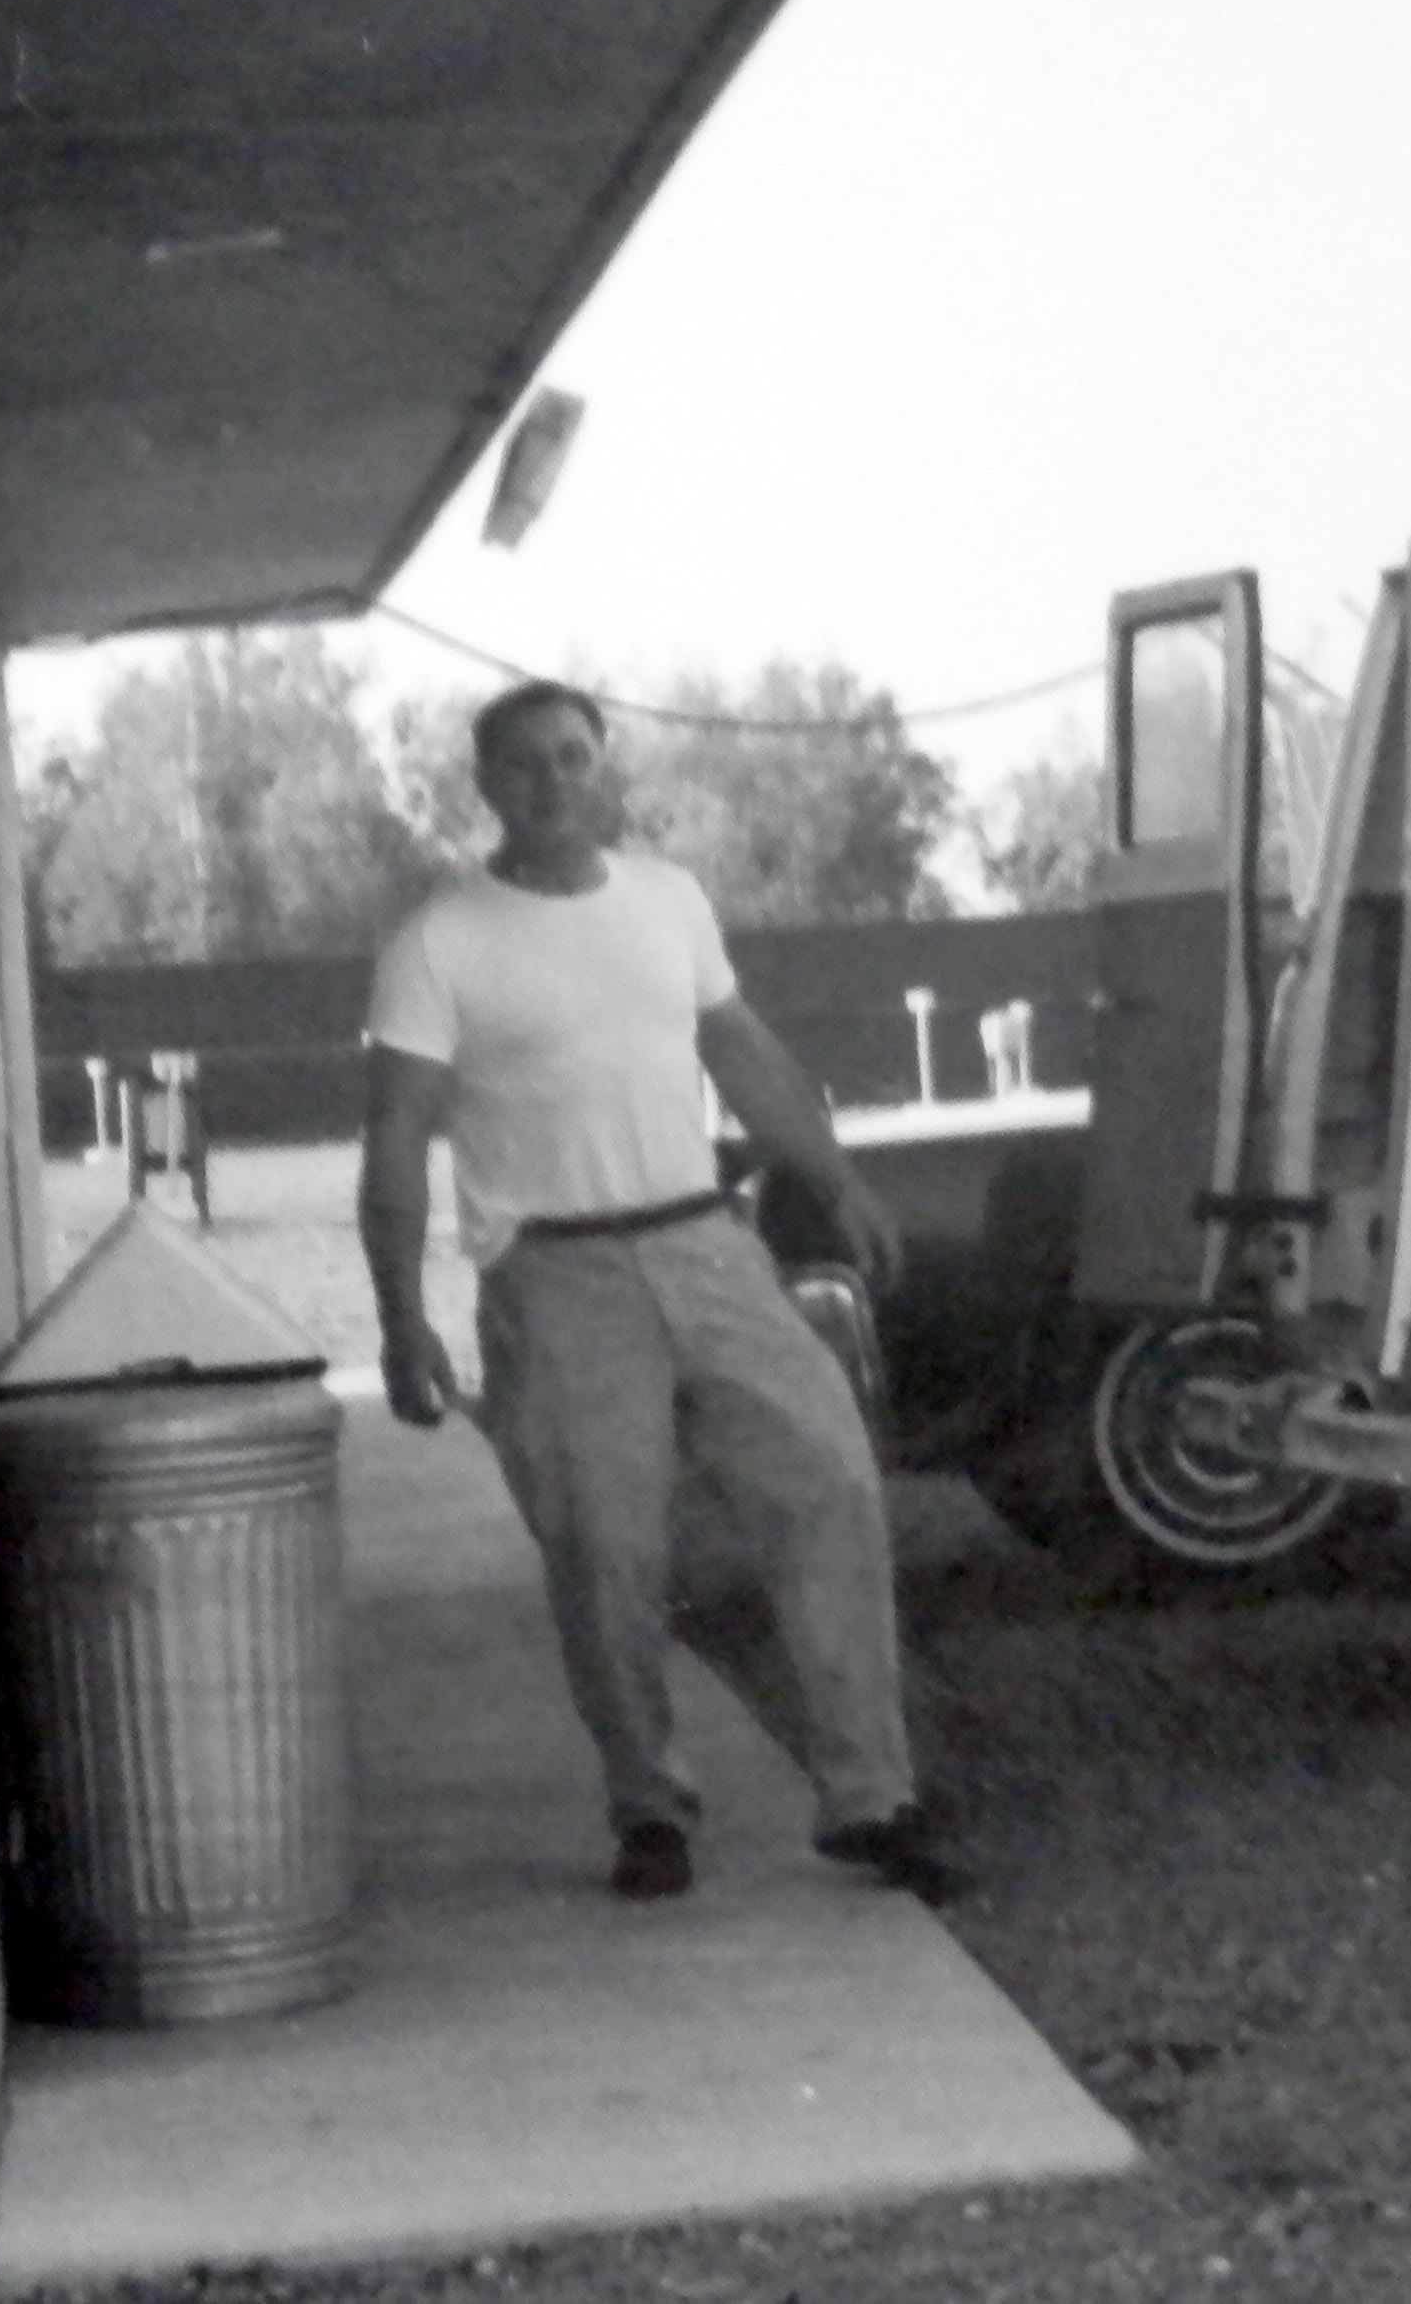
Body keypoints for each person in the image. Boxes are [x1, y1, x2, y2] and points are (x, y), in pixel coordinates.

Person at [356, 678, 960, 1906]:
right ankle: (648, 1805)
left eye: (574, 756)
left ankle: (869, 1795)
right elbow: (394, 1142)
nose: (554, 781)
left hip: (704, 1243)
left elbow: (740, 1050)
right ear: (485, 785)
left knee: (827, 1478)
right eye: (523, 764)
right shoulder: (438, 941)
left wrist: (829, 1176)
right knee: (603, 1550)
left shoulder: (668, 899)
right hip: (555, 1274)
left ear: (603, 765)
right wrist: (399, 1314)